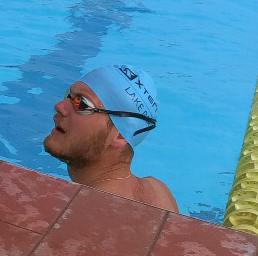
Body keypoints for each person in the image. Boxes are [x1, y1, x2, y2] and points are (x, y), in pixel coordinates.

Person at [43, 66, 176, 212]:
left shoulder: (87, 210)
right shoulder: (159, 192)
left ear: (120, 134)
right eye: (69, 94)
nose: (60, 106)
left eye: (81, 103)